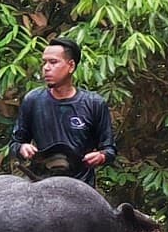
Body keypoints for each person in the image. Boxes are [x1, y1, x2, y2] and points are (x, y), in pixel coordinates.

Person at [10, 38, 117, 188]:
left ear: (71, 66)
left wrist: (100, 156)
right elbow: (15, 143)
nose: (46, 68)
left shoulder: (94, 103)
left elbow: (109, 149)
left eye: (53, 62)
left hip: (81, 187)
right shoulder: (33, 100)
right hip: (39, 183)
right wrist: (22, 148)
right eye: (44, 62)